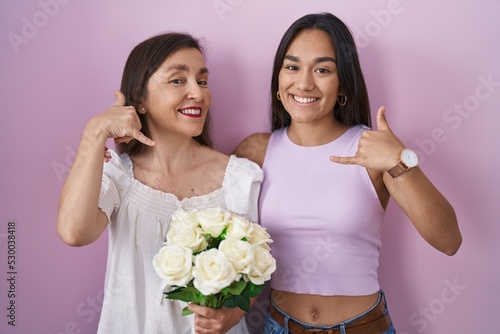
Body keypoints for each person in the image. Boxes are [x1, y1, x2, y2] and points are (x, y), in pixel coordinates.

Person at [233, 12, 462, 334]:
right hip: (278, 326)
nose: (304, 83)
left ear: (343, 85)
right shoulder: (255, 151)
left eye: (323, 69)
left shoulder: (372, 149)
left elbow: (449, 240)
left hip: (362, 327)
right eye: (292, 66)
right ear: (278, 81)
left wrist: (399, 161)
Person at [56, 32, 263, 334]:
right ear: (139, 99)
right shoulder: (119, 175)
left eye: (202, 81)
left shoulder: (240, 178)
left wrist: (232, 313)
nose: (198, 93)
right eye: (178, 80)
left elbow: (256, 269)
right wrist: (94, 132)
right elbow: (74, 232)